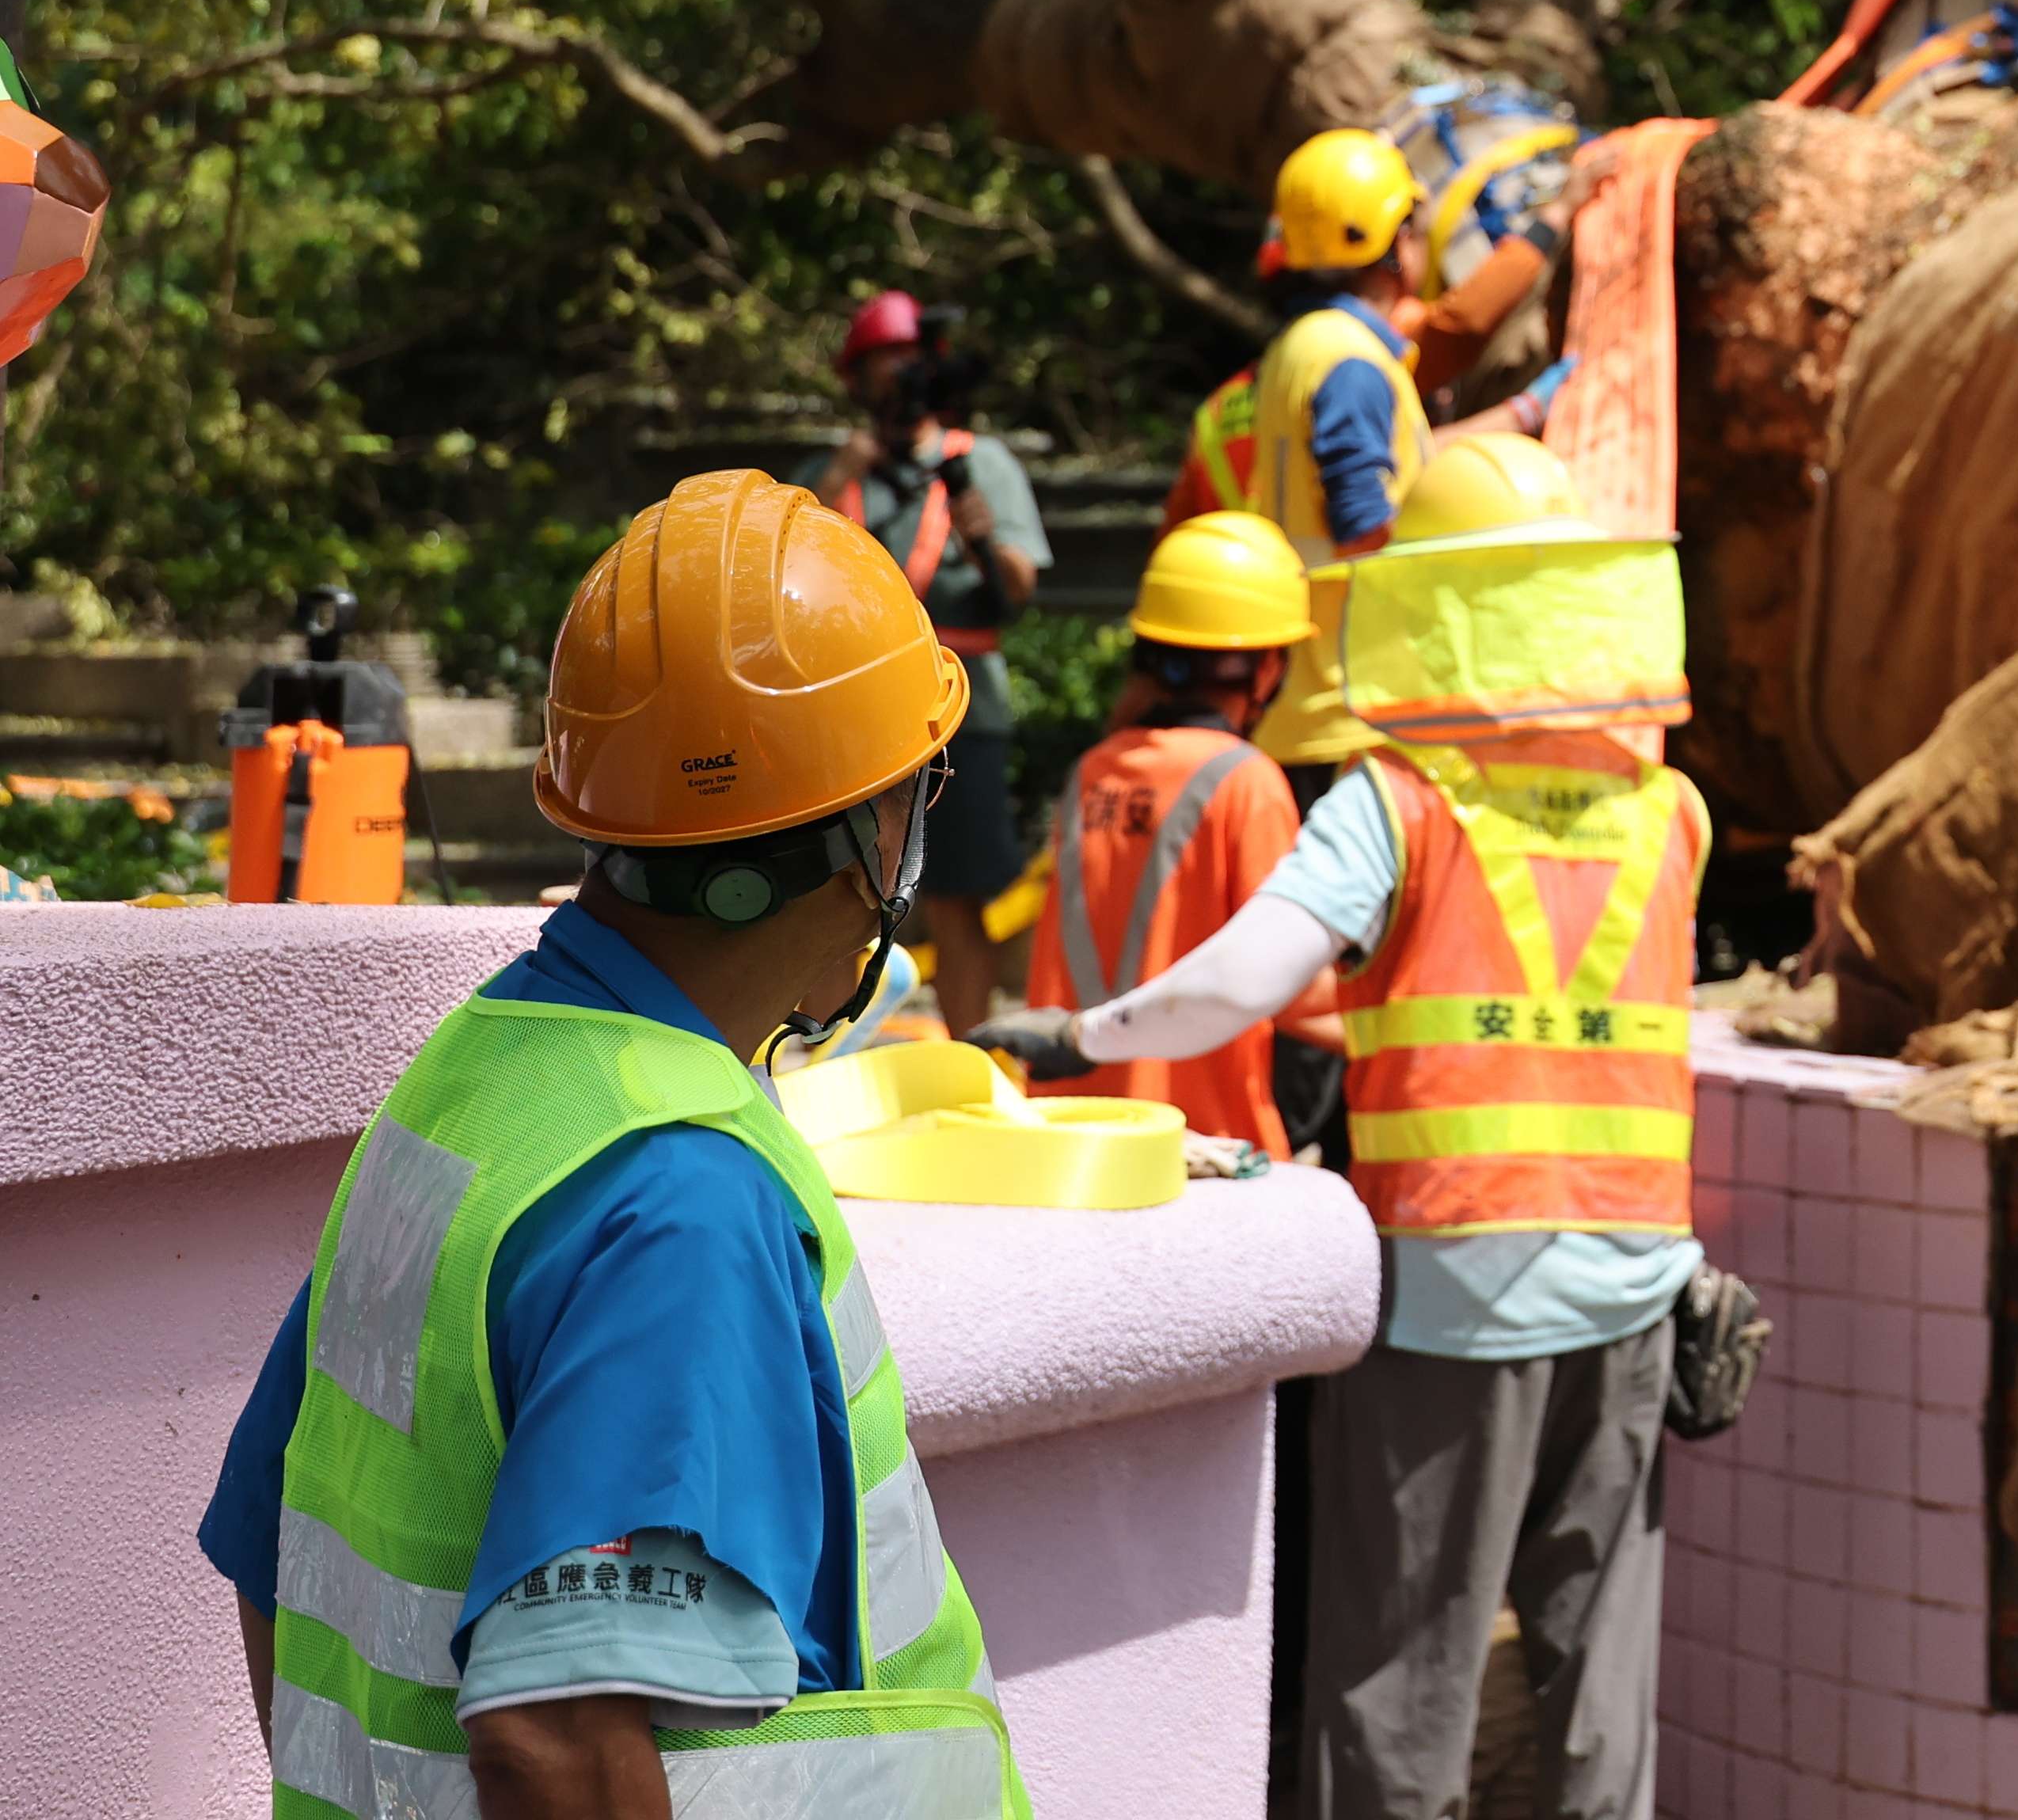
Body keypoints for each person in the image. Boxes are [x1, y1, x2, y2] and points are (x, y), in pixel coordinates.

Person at [196, 470, 1028, 1818]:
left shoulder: (479, 1078)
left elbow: (273, 1556)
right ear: (867, 840)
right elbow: (553, 1736)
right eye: (913, 789)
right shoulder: (682, 1196)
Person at [973, 433, 1708, 1820]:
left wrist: (1079, 1037)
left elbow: (1243, 980)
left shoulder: (1399, 799)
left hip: (1455, 1294)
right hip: (1636, 1287)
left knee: (1400, 1685)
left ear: (1423, 601)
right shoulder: (1668, 807)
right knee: (1602, 1698)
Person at [1015, 509, 1324, 1156]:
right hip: (1203, 1136)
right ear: (1268, 669)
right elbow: (1291, 986)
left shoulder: (1093, 771)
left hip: (1070, 1136)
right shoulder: (1248, 782)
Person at [824, 290, 1051, 1032]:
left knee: (958, 897)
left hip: (960, 711)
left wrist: (982, 535)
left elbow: (1019, 591)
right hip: (850, 714)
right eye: (883, 364)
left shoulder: (978, 463)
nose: (900, 379)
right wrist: (836, 477)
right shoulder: (839, 470)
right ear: (856, 378)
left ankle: (971, 1052)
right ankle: (819, 1047)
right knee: (831, 887)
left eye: (910, 363)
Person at [1250, 131, 1431, 564]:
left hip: (1313, 603)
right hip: (1362, 606)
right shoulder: (1352, 360)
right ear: (1397, 239)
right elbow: (1363, 527)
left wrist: (1520, 412)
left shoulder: (1302, 342)